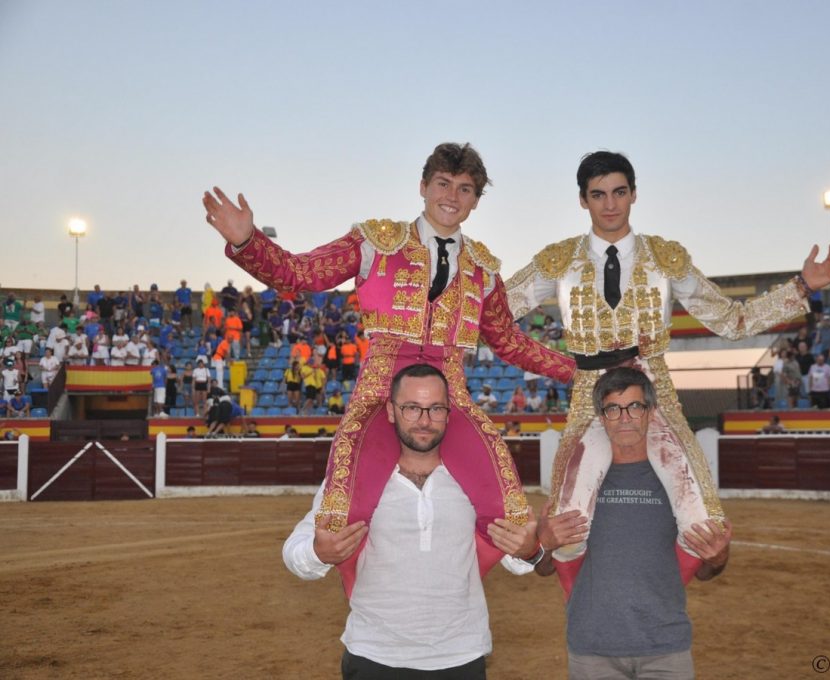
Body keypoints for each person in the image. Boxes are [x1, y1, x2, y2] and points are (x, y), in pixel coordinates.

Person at [205, 142, 575, 540]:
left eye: (465, 189)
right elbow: (301, 274)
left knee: (509, 509)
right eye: (443, 183)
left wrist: (578, 368)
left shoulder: (484, 270)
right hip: (379, 397)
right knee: (342, 514)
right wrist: (249, 243)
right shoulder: (374, 242)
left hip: (451, 401)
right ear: (423, 186)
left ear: (475, 201)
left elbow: (510, 342)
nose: (451, 197)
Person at [506, 151, 830, 563]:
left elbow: (731, 320)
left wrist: (802, 286)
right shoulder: (557, 261)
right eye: (598, 195)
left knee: (703, 524)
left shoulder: (666, 258)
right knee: (565, 529)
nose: (610, 204)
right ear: (583, 200)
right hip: (591, 395)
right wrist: (550, 362)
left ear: (634, 195)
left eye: (619, 192)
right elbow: (493, 310)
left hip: (652, 391)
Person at [282, 364, 544, 677]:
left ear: (449, 413)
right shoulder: (354, 478)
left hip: (460, 654)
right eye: (411, 408)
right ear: (391, 411)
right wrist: (318, 553)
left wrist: (529, 550)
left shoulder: (480, 479)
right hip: (373, 654)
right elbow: (294, 551)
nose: (424, 420)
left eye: (435, 408)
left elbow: (517, 560)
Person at [534, 368, 730, 680]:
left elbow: (706, 571)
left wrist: (718, 559)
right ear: (601, 417)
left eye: (635, 407)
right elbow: (544, 568)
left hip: (666, 648)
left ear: (651, 413)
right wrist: (543, 544)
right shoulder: (574, 486)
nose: (624, 418)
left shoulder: (679, 483)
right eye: (613, 408)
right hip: (592, 649)